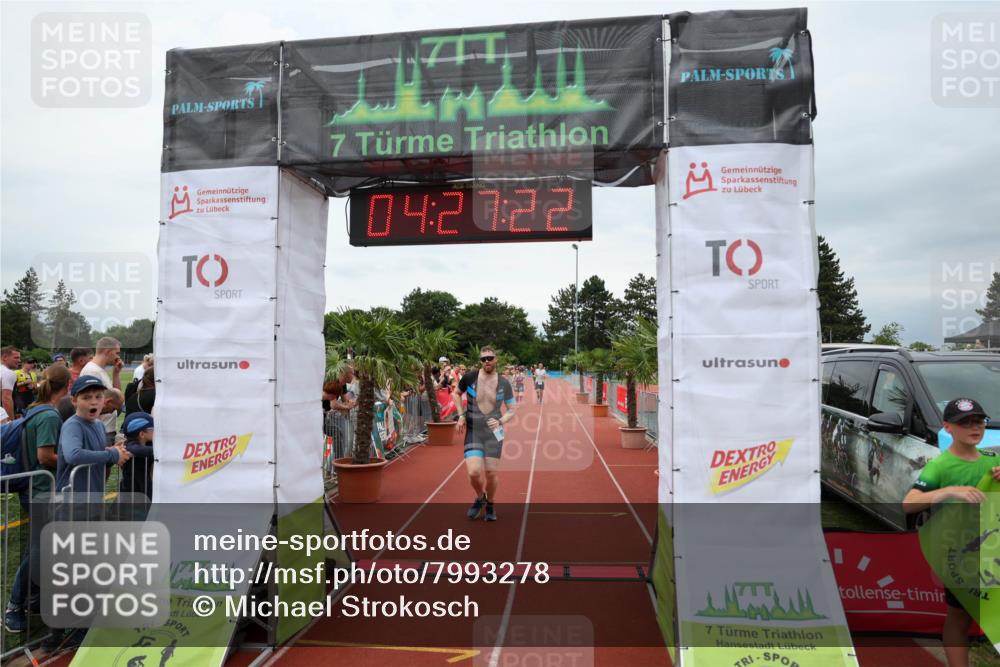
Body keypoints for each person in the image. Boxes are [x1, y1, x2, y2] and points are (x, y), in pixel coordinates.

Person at [903, 397, 998, 667]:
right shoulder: (940, 466)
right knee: (960, 616)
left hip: (993, 550)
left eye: (978, 421)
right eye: (964, 422)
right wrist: (949, 490)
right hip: (959, 553)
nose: (974, 427)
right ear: (948, 428)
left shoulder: (993, 458)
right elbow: (908, 503)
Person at [3, 365, 70, 634]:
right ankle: (14, 606)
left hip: (37, 489)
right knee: (39, 550)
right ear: (66, 388)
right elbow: (44, 456)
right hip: (40, 491)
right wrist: (73, 457)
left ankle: (31, 600)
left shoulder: (37, 408)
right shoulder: (49, 416)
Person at [453, 346, 516, 522]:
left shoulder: (504, 382)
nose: (487, 361)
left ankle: (490, 504)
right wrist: (460, 415)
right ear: (480, 361)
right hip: (474, 431)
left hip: (494, 432)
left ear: (496, 360)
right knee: (473, 472)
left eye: (490, 358)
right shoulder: (470, 377)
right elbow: (456, 394)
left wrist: (501, 420)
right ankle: (480, 497)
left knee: (491, 473)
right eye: (483, 359)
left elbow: (512, 409)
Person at [55, 376, 131, 497]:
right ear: (74, 401)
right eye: (86, 397)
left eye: (98, 396)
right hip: (73, 501)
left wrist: (115, 451)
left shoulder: (99, 425)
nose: (94, 401)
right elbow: (73, 455)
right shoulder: (73, 425)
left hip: (94, 496)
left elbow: (97, 455)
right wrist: (112, 454)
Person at [80, 337, 123, 447]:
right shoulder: (92, 371)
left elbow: (117, 396)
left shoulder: (99, 370)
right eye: (117, 353)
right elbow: (90, 406)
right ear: (108, 351)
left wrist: (116, 373)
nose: (118, 356)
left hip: (106, 428)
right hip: (100, 430)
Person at [119, 411, 154, 499]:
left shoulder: (146, 444)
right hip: (132, 490)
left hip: (141, 487)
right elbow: (137, 450)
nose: (155, 431)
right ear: (142, 434)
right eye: (152, 428)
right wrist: (160, 451)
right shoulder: (130, 445)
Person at [1, 346, 19, 420]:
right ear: (5, 357)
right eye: (16, 358)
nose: (19, 360)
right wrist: (12, 422)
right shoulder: (8, 372)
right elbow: (6, 399)